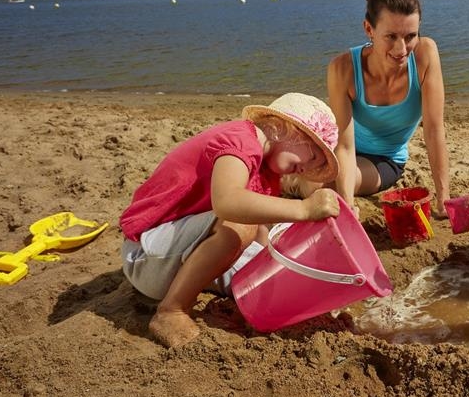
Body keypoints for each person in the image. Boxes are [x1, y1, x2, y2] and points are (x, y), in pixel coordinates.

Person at [119, 93, 341, 348]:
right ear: (281, 129)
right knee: (239, 225)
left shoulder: (267, 171)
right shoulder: (239, 140)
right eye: (312, 157)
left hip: (179, 259)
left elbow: (258, 228)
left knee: (266, 280)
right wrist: (302, 209)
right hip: (145, 256)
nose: (305, 170)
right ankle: (171, 310)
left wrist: (281, 265)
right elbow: (227, 203)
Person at [325, 0, 450, 217]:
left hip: (384, 160)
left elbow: (434, 130)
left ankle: (296, 182)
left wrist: (443, 199)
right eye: (391, 36)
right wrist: (349, 206)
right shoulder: (342, 68)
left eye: (410, 36)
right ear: (369, 29)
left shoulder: (426, 54)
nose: (401, 50)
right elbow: (345, 144)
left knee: (325, 186)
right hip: (341, 151)